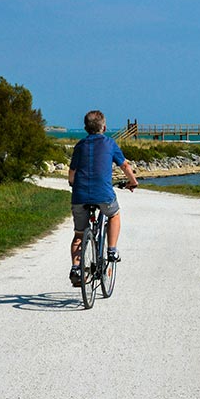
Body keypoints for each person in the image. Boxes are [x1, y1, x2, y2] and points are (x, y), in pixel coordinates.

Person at [68, 110, 138, 286]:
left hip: (80, 195)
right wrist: (133, 182)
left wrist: (72, 184)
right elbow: (125, 165)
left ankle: (76, 268)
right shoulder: (110, 143)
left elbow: (72, 173)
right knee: (114, 214)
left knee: (79, 234)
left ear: (86, 128)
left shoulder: (80, 145)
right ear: (104, 127)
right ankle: (112, 250)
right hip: (103, 194)